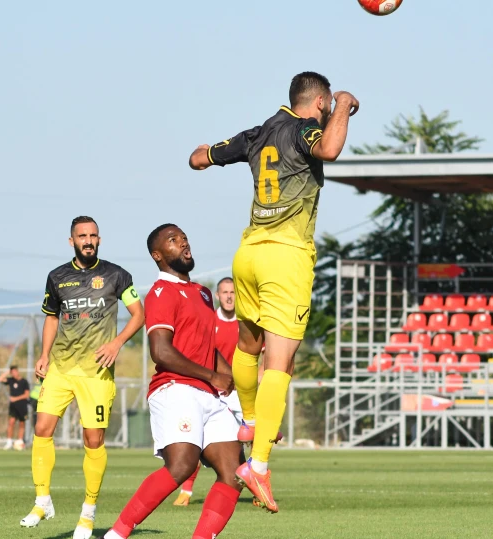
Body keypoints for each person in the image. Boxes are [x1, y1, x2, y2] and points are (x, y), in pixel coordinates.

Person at [188, 71, 358, 512]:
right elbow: (330, 149)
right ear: (318, 102)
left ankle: (249, 418)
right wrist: (344, 103)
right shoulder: (305, 130)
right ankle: (258, 464)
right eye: (327, 104)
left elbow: (198, 159)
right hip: (285, 257)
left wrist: (209, 152)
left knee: (248, 344)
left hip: (248, 253)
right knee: (280, 362)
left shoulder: (258, 132)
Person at [104, 224, 243, 539]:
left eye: (184, 237)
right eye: (173, 239)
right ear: (157, 255)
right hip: (176, 388)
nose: (183, 242)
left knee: (234, 474)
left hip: (209, 394)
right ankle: (116, 534)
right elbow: (161, 352)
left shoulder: (203, 293)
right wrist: (213, 376)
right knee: (181, 466)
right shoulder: (160, 292)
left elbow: (209, 348)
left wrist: (230, 382)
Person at [21, 216, 145, 539]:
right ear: (72, 241)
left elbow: (139, 314)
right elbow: (51, 318)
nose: (88, 241)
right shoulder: (57, 277)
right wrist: (44, 355)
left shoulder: (117, 275)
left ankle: (88, 514)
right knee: (42, 428)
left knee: (93, 440)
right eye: (82, 236)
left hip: (96, 373)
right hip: (61, 368)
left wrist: (117, 343)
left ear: (99, 240)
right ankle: (42, 501)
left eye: (93, 235)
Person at [173, 276, 243, 506]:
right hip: (212, 389)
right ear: (218, 295)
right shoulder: (209, 319)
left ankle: (255, 483)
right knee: (196, 439)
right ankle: (187, 490)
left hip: (239, 391)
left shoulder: (245, 322)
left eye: (233, 292)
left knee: (249, 439)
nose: (229, 297)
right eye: (225, 292)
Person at [0, 365, 30, 450]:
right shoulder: (11, 380)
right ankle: (9, 442)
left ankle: (20, 441)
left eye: (14, 371)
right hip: (13, 406)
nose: (13, 374)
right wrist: (7, 372)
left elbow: (27, 394)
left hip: (22, 405)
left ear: (17, 371)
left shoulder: (24, 381)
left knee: (22, 423)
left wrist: (15, 398)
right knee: (11, 422)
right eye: (12, 372)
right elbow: (0, 379)